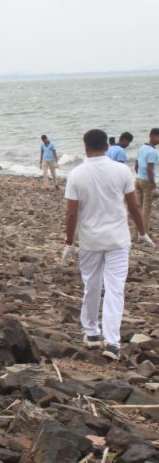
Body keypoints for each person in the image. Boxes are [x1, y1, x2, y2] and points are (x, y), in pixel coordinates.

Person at [62, 129, 153, 361]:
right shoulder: (121, 170)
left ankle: (91, 332)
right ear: (107, 146)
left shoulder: (76, 174)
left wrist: (69, 242)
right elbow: (133, 206)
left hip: (90, 240)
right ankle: (112, 342)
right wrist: (142, 232)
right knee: (115, 289)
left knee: (91, 285)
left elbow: (72, 213)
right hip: (117, 239)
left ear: (86, 147)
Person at [135, 128, 159, 234]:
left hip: (138, 179)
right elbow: (150, 170)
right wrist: (154, 186)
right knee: (146, 210)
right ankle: (143, 234)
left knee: (138, 208)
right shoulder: (153, 152)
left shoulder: (141, 148)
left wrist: (139, 175)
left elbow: (137, 165)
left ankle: (136, 233)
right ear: (152, 136)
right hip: (147, 181)